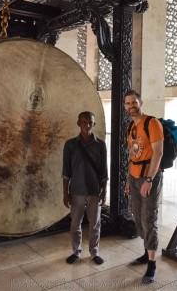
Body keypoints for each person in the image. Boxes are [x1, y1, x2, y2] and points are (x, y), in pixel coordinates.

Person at [124, 90, 164, 284]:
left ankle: (152, 264)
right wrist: (128, 180)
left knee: (149, 219)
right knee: (137, 217)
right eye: (127, 103)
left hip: (149, 178)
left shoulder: (152, 123)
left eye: (134, 102)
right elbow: (132, 155)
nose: (131, 105)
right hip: (134, 177)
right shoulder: (131, 126)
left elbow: (158, 153)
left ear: (140, 102)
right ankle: (146, 252)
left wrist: (149, 180)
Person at [62, 111, 108, 265]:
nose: (87, 125)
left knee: (95, 224)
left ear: (94, 124)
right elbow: (66, 172)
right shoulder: (70, 145)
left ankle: (94, 252)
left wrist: (104, 191)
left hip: (95, 191)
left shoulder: (100, 145)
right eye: (84, 122)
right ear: (78, 123)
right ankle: (76, 252)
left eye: (90, 122)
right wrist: (65, 193)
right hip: (76, 191)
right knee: (75, 224)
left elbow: (104, 171)